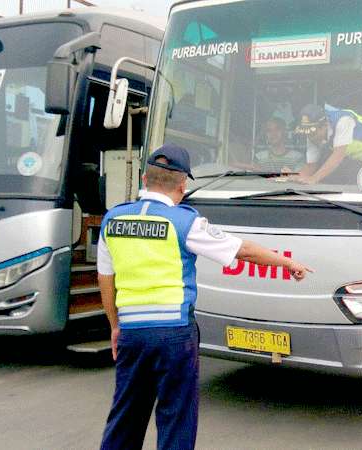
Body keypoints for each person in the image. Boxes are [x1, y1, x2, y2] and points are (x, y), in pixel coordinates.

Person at [98, 144, 312, 449]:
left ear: (145, 179)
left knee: (125, 418)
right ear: (183, 187)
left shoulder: (112, 220)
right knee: (176, 418)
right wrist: (289, 263)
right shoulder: (185, 222)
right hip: (174, 335)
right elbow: (243, 251)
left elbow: (106, 279)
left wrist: (115, 326)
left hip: (132, 333)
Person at [292, 103, 362, 184]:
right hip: (352, 159)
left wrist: (313, 179)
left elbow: (338, 156)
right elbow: (311, 165)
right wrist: (294, 176)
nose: (310, 138)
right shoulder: (312, 135)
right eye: (307, 134)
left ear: (324, 125)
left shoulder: (344, 120)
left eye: (313, 133)